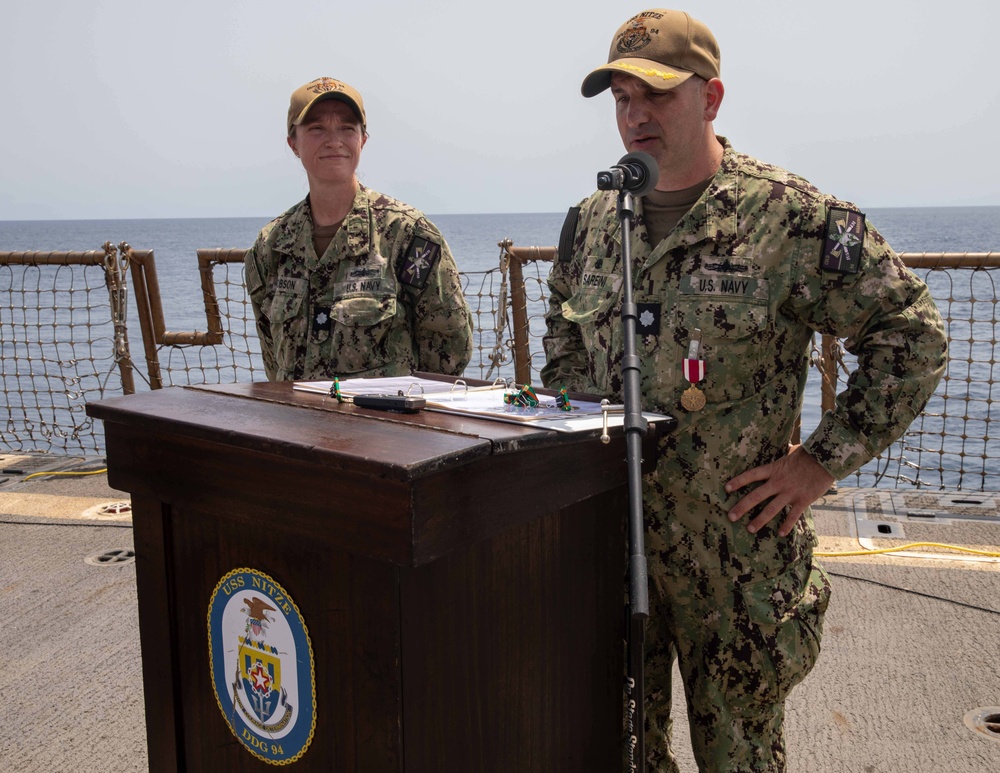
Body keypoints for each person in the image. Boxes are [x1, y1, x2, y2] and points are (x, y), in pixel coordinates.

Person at [541, 10, 947, 772]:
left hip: (734, 566)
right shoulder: (593, 225)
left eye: (655, 95)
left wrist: (818, 463)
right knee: (621, 752)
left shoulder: (787, 216)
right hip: (612, 547)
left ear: (712, 98)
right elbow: (564, 335)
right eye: (621, 98)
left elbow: (912, 334)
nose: (635, 115)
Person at [245, 77, 473, 381]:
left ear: (363, 140)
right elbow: (273, 357)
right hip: (295, 424)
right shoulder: (270, 247)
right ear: (293, 144)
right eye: (316, 129)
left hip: (384, 425)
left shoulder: (407, 234)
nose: (333, 141)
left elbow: (450, 348)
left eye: (347, 128)